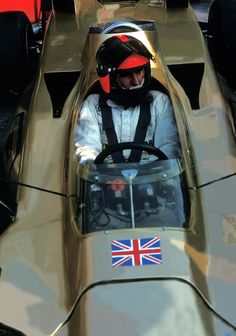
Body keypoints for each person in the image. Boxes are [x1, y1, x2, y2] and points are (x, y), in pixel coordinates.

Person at [74, 34, 181, 165]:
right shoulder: (92, 105)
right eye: (126, 75)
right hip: (105, 179)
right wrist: (93, 171)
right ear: (111, 78)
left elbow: (169, 148)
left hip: (152, 177)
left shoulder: (159, 102)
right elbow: (86, 149)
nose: (136, 81)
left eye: (139, 71)